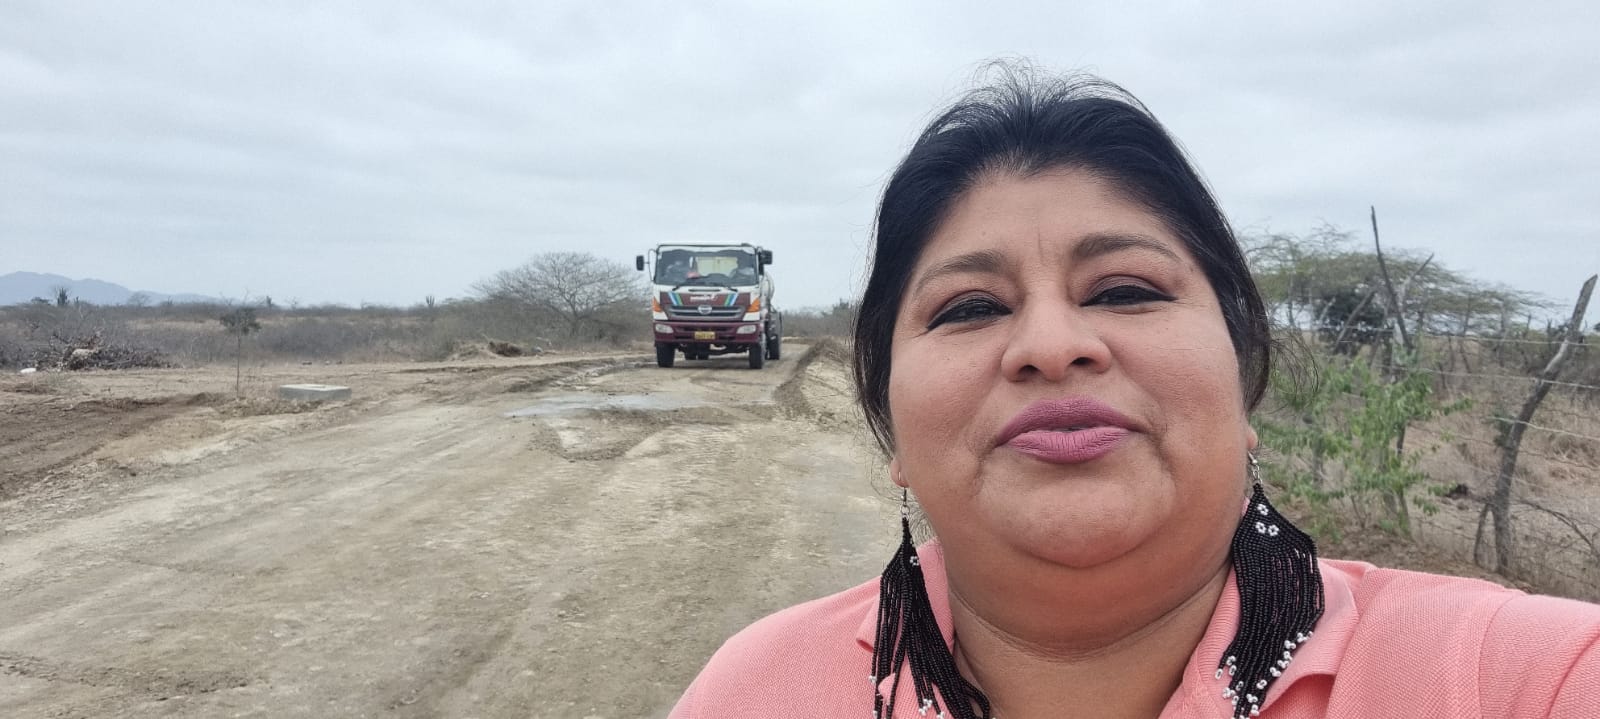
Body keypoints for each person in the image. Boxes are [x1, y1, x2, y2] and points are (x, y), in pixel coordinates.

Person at [668, 67, 1600, 718]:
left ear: (1244, 380)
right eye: (971, 306)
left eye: (1125, 290)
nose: (1051, 346)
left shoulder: (1529, 680)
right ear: (891, 430)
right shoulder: (753, 694)